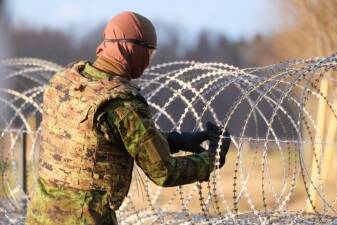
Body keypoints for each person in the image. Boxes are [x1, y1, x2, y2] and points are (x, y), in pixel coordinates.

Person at [25, 11, 231, 225]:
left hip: (40, 213)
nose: (149, 62)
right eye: (149, 53)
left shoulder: (65, 81)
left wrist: (176, 141)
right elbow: (164, 171)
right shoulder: (120, 103)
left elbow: (104, 136)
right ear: (133, 49)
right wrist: (211, 160)